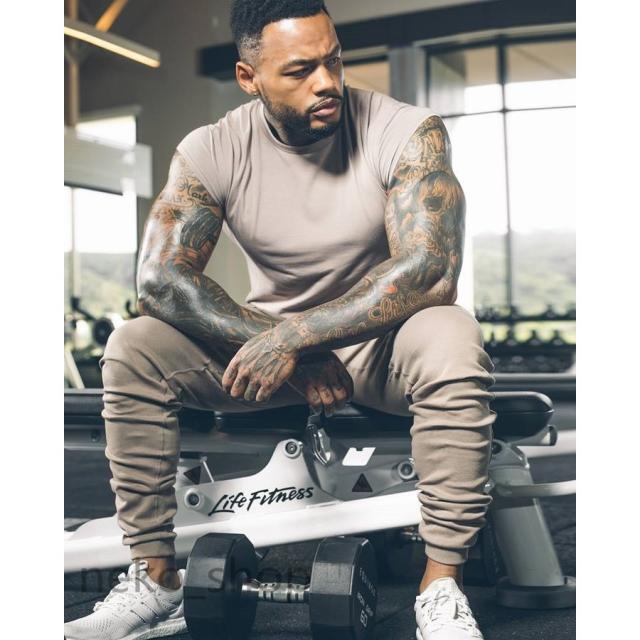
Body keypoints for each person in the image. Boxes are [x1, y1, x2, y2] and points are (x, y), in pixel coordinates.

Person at [64, 1, 496, 639]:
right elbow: (159, 279)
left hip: (382, 345)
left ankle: (441, 588)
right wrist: (283, 347)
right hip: (268, 350)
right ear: (249, 77)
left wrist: (298, 337)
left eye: (333, 61)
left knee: (453, 333)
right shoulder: (212, 148)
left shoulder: (407, 130)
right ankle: (156, 579)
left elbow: (430, 269)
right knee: (133, 344)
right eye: (299, 70)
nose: (327, 83)